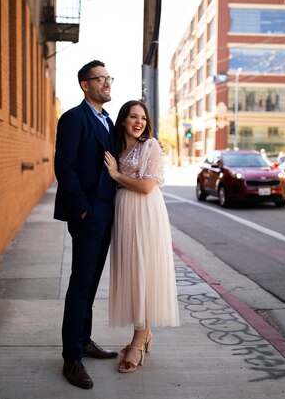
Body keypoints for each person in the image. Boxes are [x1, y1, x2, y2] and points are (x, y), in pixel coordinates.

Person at [53, 60, 119, 390]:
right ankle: (71, 358)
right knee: (80, 283)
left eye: (109, 77)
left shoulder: (109, 119)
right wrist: (82, 211)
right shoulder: (73, 119)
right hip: (88, 214)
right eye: (100, 78)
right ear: (85, 85)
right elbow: (64, 168)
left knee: (92, 283)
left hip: (108, 212)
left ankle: (85, 340)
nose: (107, 83)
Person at [103, 100, 180, 373]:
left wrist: (115, 174)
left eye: (143, 118)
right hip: (124, 215)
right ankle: (143, 334)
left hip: (146, 213)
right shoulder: (116, 147)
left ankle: (139, 338)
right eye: (133, 117)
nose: (139, 122)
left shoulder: (151, 146)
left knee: (143, 273)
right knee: (131, 273)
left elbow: (147, 186)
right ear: (123, 120)